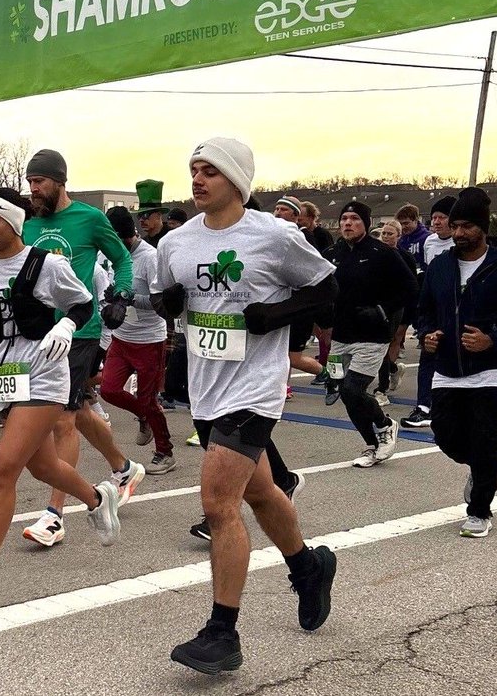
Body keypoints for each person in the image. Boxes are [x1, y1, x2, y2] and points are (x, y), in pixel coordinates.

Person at [156, 138, 338, 675]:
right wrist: (163, 303)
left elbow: (327, 288)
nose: (197, 179)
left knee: (218, 503)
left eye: (209, 170)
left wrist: (278, 314)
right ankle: (308, 567)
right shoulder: (177, 243)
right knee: (260, 490)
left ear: (237, 180)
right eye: (193, 170)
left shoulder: (275, 236)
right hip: (207, 388)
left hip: (255, 388)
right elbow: (170, 295)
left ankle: (222, 632)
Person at [0, 193, 122, 606]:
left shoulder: (46, 264)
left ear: (13, 224)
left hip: (44, 372)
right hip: (6, 376)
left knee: (2, 469)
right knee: (42, 467)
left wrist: (67, 327)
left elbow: (83, 302)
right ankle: (96, 497)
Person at [21, 149, 145, 548]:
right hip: (40, 332)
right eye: (30, 181)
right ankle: (124, 469)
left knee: (62, 418)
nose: (34, 188)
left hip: (81, 328)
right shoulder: (28, 223)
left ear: (59, 180)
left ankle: (56, 515)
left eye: (39, 181)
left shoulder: (90, 219)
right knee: (82, 408)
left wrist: (121, 295)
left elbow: (122, 258)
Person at [415, 187, 497, 538]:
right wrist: (427, 333)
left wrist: (494, 340)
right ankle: (479, 465)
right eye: (454, 226)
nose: (458, 233)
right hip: (446, 369)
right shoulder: (440, 266)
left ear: (482, 229)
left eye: (466, 226)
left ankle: (479, 509)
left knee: (486, 440)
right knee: (445, 435)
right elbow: (424, 310)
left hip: (492, 372)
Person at [323, 201, 416, 468]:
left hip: (372, 336)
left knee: (354, 389)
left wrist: (382, 310)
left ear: (366, 223)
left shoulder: (382, 253)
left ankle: (385, 425)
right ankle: (371, 444)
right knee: (344, 391)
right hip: (341, 335)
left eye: (354, 219)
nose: (347, 223)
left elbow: (410, 288)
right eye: (344, 219)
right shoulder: (331, 253)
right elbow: (317, 288)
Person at [98, 206, 173, 472]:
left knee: (148, 399)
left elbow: (159, 302)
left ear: (125, 237)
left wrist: (128, 298)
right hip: (121, 337)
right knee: (108, 389)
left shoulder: (150, 258)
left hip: (148, 339)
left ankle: (165, 452)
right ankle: (142, 415)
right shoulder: (109, 256)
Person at [402, 195, 457, 429]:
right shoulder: (430, 242)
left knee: (454, 358)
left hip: (456, 307)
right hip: (433, 306)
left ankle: (451, 406)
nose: (436, 222)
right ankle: (424, 406)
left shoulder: (460, 242)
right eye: (433, 217)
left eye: (442, 217)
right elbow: (426, 271)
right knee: (428, 354)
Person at [273, 197, 330, 392]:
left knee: (292, 356)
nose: (278, 212)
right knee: (280, 353)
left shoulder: (303, 236)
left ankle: (328, 376)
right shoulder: (275, 235)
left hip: (298, 308)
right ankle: (283, 388)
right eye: (276, 208)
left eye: (283, 209)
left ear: (296, 216)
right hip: (281, 304)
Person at [375, 220, 420, 403]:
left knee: (385, 344)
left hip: (397, 306)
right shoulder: (375, 254)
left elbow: (411, 285)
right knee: (376, 346)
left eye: (390, 234)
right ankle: (393, 369)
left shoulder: (405, 257)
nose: (386, 237)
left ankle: (382, 389)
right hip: (377, 305)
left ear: (398, 236)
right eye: (383, 233)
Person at [134, 179, 168, 248]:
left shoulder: (172, 238)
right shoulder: (143, 245)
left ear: (159, 215)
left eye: (145, 215)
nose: (141, 220)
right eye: (139, 215)